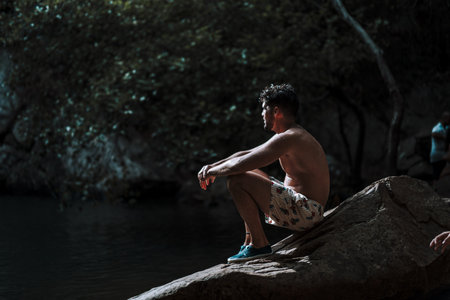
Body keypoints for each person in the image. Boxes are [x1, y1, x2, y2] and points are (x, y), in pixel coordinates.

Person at [197, 84, 330, 263]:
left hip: (307, 212)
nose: (261, 114)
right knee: (245, 172)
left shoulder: (289, 137)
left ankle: (259, 245)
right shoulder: (291, 134)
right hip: (304, 208)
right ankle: (249, 241)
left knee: (237, 180)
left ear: (276, 112)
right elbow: (245, 154)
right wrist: (212, 166)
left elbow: (242, 164)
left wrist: (213, 172)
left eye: (263, 109)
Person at [430, 111, 450, 182]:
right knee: (436, 174)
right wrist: (444, 137)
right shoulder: (437, 128)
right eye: (449, 119)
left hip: (443, 153)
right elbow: (434, 134)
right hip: (436, 154)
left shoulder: (447, 128)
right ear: (445, 119)